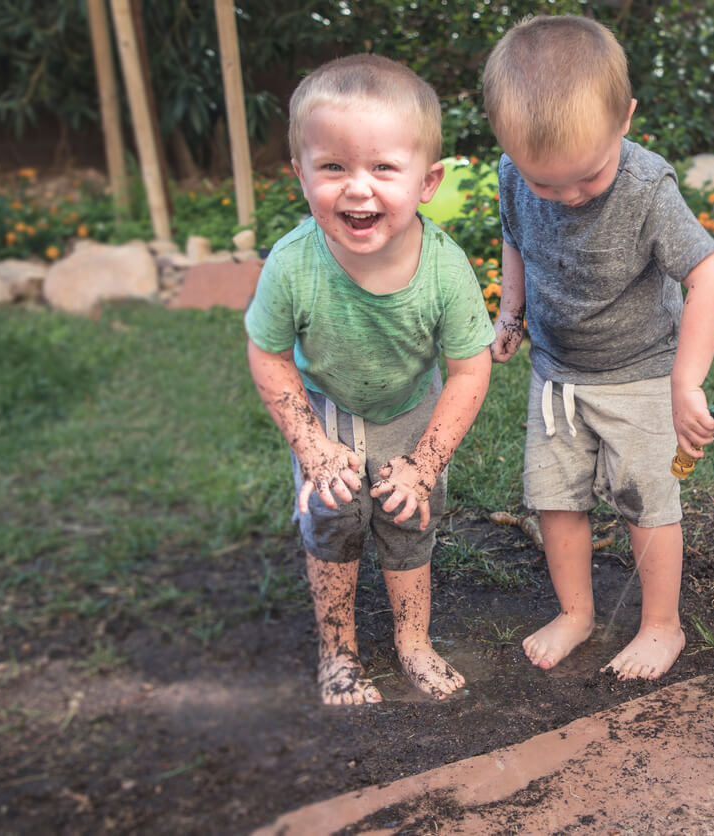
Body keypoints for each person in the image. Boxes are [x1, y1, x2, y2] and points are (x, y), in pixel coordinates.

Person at [482, 16, 714, 680]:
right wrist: (509, 314)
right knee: (556, 498)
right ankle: (576, 613)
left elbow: (708, 275)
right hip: (555, 374)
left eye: (585, 180)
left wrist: (687, 381)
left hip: (641, 373)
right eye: (545, 184)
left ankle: (661, 625)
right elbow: (515, 239)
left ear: (626, 118)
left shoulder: (648, 189)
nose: (564, 197)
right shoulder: (514, 173)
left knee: (646, 501)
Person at [245, 54, 495, 705]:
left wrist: (426, 461)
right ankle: (338, 650)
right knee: (334, 518)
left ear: (427, 181)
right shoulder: (293, 264)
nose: (358, 189)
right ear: (300, 174)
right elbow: (267, 353)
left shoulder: (445, 269)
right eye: (333, 167)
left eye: (384, 167)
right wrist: (311, 446)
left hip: (412, 410)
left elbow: (471, 368)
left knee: (408, 520)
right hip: (327, 410)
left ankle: (413, 643)